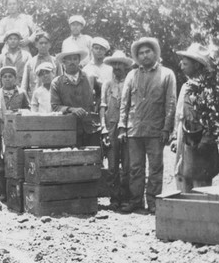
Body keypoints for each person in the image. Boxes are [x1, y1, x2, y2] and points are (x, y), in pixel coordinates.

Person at [118, 37, 176, 214]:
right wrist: (122, 127)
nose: (144, 56)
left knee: (155, 168)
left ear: (155, 53)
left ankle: (153, 202)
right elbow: (124, 103)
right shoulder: (132, 75)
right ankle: (136, 201)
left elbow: (171, 103)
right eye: (141, 53)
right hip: (134, 129)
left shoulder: (167, 74)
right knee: (135, 168)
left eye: (147, 52)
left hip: (156, 130)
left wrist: (167, 128)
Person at [172, 43, 219, 192]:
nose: (181, 66)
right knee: (182, 174)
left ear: (197, 66)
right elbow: (179, 115)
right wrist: (175, 136)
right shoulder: (186, 86)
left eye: (185, 63)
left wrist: (206, 140)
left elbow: (213, 119)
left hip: (201, 139)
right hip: (184, 137)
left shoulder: (209, 89)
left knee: (200, 180)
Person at [0, 66, 30, 201]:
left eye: (10, 76)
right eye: (5, 77)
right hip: (2, 134)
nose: (7, 79)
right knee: (3, 164)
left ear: (15, 78)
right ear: (1, 79)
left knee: (19, 162)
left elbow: (28, 111)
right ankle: (2, 193)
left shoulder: (22, 93)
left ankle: (19, 194)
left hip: (19, 135)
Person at [100, 51, 133, 210]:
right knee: (112, 165)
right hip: (111, 126)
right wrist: (104, 129)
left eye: (120, 64)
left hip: (127, 127)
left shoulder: (131, 83)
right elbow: (102, 107)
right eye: (115, 65)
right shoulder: (107, 84)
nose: (117, 67)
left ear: (126, 67)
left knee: (127, 165)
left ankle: (126, 198)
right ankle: (114, 198)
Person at [51, 42, 100, 147]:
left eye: (75, 59)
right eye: (68, 59)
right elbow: (55, 107)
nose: (72, 62)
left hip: (90, 129)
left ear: (79, 61)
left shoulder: (89, 78)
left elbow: (102, 96)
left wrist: (95, 110)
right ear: (63, 62)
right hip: (68, 130)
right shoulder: (57, 83)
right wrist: (72, 109)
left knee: (93, 160)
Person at [21, 32, 61, 101]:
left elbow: (61, 84)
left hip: (52, 100)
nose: (43, 45)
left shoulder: (56, 62)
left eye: (46, 43)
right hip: (34, 101)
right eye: (41, 43)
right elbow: (24, 86)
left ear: (50, 45)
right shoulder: (30, 63)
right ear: (36, 44)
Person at [83, 37, 113, 111]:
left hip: (109, 103)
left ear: (105, 51)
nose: (99, 51)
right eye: (96, 48)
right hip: (91, 106)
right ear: (92, 49)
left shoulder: (110, 68)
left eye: (102, 49)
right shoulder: (86, 69)